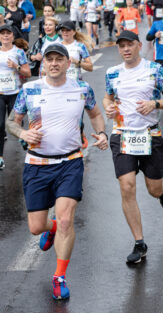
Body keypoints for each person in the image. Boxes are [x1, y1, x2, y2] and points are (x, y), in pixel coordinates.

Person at [6, 43, 108, 300]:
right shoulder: (29, 90)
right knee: (35, 227)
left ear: (67, 63)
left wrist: (102, 132)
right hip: (37, 165)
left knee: (66, 220)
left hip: (70, 162)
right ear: (44, 64)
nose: (53, 63)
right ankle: (49, 228)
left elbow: (95, 113)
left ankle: (59, 277)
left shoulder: (81, 89)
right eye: (49, 59)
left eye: (58, 59)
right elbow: (11, 121)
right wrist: (23, 132)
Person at [103, 31, 163, 263]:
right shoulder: (112, 72)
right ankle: (139, 243)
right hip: (122, 135)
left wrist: (154, 103)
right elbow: (108, 97)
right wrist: (108, 107)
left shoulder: (154, 69)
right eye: (122, 46)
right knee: (127, 187)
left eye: (130, 45)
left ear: (138, 45)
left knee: (152, 189)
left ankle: (162, 192)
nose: (126, 49)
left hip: (150, 135)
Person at [0, 24, 30, 169]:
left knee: (16, 124)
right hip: (0, 94)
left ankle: (23, 138)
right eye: (3, 33)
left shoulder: (19, 52)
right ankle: (0, 157)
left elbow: (28, 73)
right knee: (0, 125)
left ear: (12, 36)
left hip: (15, 93)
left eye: (8, 34)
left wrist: (16, 66)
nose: (5, 36)